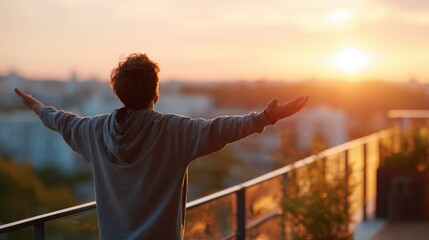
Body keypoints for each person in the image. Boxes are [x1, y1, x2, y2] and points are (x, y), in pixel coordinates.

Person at [15, 53, 309, 240]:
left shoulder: (94, 130)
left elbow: (61, 121)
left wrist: (38, 107)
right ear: (155, 91)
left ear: (118, 94)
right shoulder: (172, 130)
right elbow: (221, 129)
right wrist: (266, 117)